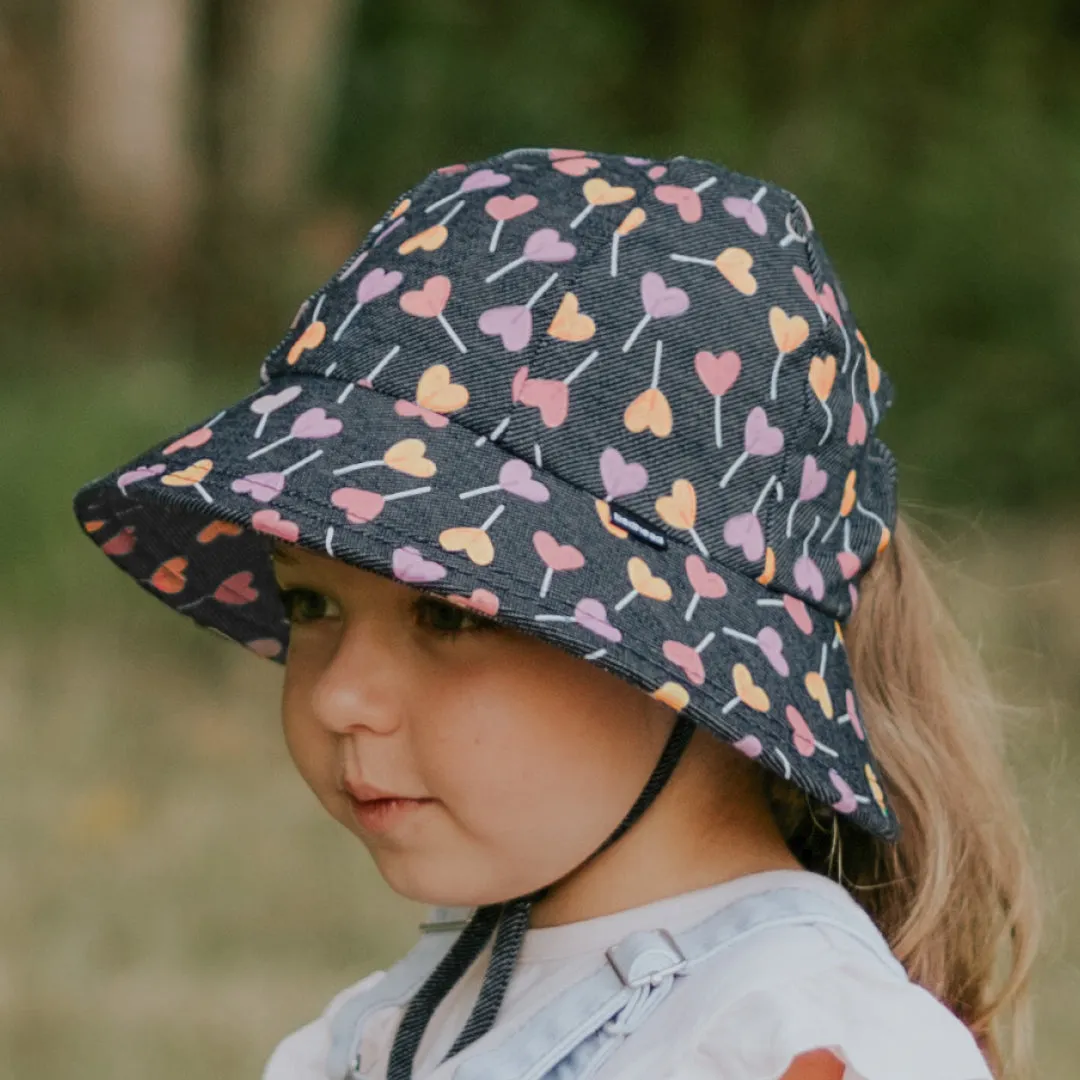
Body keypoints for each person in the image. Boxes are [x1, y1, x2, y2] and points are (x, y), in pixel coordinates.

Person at [72, 146, 1040, 1080]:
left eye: (450, 616)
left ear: (686, 652)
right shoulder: (386, 1026)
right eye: (312, 601)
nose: (340, 697)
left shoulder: (791, 1041)